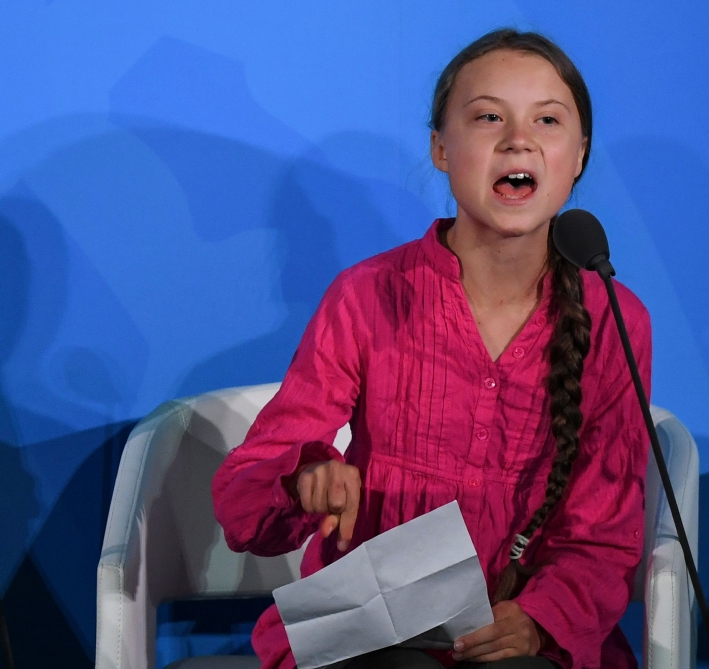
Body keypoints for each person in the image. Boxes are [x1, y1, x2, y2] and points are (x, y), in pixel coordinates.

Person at [212, 28, 652, 669]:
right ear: (441, 149)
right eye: (489, 117)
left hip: (521, 634)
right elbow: (249, 487)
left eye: (547, 120)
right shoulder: (367, 294)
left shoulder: (616, 316)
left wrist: (536, 618)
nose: (518, 139)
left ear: (579, 154)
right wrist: (307, 476)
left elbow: (604, 527)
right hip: (371, 626)